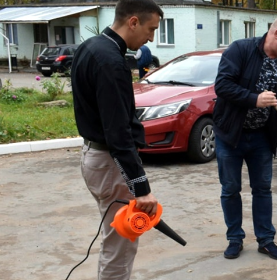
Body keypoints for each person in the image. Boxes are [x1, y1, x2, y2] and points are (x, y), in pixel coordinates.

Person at [70, 0, 163, 279]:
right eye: (150, 29)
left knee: (115, 236)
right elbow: (118, 132)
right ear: (132, 21)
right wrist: (141, 187)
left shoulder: (91, 47)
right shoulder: (111, 62)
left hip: (95, 156)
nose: (151, 38)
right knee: (121, 241)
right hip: (109, 161)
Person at [213, 14, 277, 261]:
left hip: (261, 138)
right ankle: (235, 238)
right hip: (230, 135)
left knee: (262, 189)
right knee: (231, 189)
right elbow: (222, 85)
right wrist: (254, 99)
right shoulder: (240, 50)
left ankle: (266, 240)